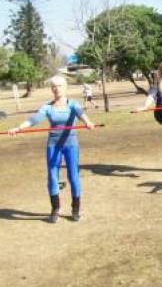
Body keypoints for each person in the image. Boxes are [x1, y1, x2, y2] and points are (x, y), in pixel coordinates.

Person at [8, 76, 96, 223]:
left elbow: (81, 114)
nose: (57, 88)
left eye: (60, 85)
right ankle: (55, 209)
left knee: (73, 176)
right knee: (52, 176)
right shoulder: (47, 107)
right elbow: (34, 119)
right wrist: (18, 128)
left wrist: (88, 122)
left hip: (70, 144)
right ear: (51, 89)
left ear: (65, 87)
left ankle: (75, 209)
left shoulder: (73, 104)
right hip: (53, 145)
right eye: (54, 86)